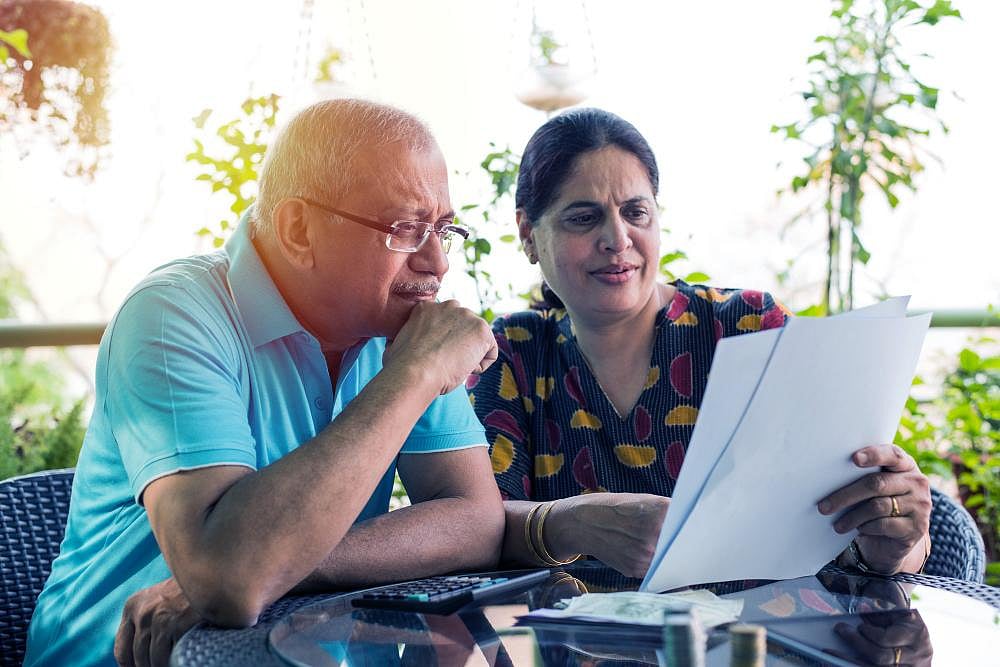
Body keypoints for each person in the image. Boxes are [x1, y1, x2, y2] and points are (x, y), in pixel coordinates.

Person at [24, 99, 505, 667]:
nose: (437, 263)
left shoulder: (399, 326)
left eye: (443, 230)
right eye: (405, 229)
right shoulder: (173, 315)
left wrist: (285, 564)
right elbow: (229, 578)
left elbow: (477, 520)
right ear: (298, 229)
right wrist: (414, 374)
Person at [470, 107, 931, 581]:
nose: (617, 238)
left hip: (758, 625)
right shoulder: (514, 353)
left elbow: (860, 526)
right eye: (584, 218)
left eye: (635, 212)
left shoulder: (748, 327)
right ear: (528, 235)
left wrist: (897, 541)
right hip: (570, 628)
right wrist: (573, 522)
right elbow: (475, 527)